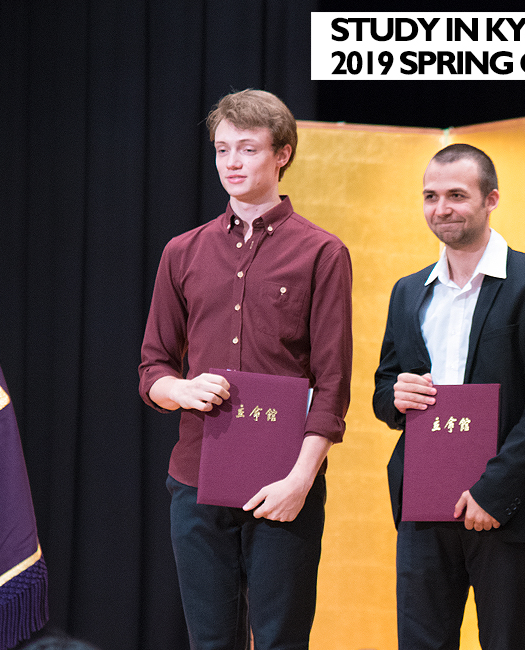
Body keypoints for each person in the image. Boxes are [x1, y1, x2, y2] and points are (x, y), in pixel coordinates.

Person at [138, 89, 352, 650]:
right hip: (195, 478)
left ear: (282, 154)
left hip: (284, 481)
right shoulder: (182, 252)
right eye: (222, 149)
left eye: (248, 149)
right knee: (211, 641)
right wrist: (180, 389)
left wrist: (301, 481)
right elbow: (152, 367)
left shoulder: (321, 252)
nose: (231, 163)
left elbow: (332, 385)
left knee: (281, 639)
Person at [373, 143, 525, 650]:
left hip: (504, 505)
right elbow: (383, 388)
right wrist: (394, 396)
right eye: (430, 196)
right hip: (424, 497)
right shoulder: (408, 290)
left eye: (456, 195)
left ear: (491, 200)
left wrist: (493, 492)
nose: (441, 208)